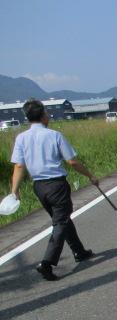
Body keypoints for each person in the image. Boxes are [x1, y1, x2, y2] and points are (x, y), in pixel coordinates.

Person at [10, 100, 98, 281]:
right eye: (47, 113)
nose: (48, 116)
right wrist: (90, 176)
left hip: (39, 188)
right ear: (43, 116)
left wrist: (15, 190)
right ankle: (47, 263)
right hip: (56, 185)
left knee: (62, 220)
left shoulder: (21, 138)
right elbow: (72, 161)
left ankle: (79, 251)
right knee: (60, 222)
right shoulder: (55, 135)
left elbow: (19, 166)